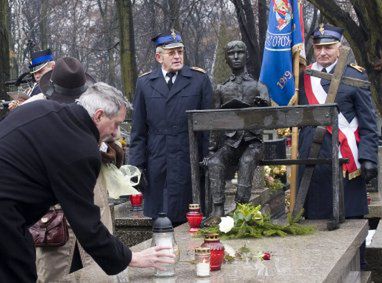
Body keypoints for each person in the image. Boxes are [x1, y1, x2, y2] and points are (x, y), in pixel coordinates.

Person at [0, 82, 175, 282]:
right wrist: (131, 258)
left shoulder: (40, 109)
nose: (117, 133)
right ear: (99, 115)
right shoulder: (81, 149)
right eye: (116, 124)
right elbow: (86, 225)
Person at [31, 56, 118, 282]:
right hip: (55, 222)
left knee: (99, 274)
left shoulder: (95, 113)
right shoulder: (37, 115)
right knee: (54, 275)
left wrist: (100, 145)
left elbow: (116, 152)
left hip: (94, 212)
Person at [298, 24, 378, 269]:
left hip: (345, 160)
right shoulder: (303, 76)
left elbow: (368, 123)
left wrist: (369, 158)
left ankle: (357, 266)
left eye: (328, 47)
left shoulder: (355, 76)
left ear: (339, 47)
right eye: (318, 47)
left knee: (350, 217)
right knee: (315, 218)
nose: (323, 53)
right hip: (312, 159)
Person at [129, 29, 213, 224]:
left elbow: (209, 128)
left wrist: (208, 160)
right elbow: (138, 131)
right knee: (160, 222)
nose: (177, 57)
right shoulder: (145, 83)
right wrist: (136, 168)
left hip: (189, 161)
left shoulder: (199, 80)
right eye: (171, 53)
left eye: (180, 52)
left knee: (190, 220)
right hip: (158, 161)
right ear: (159, 57)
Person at [207, 40, 270, 217]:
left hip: (253, 143)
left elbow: (270, 117)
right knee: (214, 162)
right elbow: (214, 122)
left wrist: (263, 106)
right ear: (226, 59)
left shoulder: (259, 87)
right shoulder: (221, 89)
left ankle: (241, 210)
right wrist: (212, 151)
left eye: (240, 52)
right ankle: (217, 210)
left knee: (247, 161)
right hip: (231, 143)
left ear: (246, 56)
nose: (235, 57)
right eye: (231, 54)